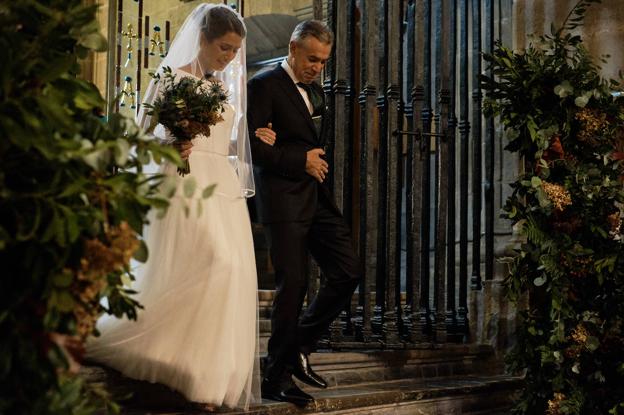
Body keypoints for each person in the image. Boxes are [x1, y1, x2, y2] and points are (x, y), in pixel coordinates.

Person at [87, 4, 268, 410]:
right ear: (202, 37)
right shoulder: (170, 78)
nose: (228, 57)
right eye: (223, 47)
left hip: (220, 186)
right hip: (185, 182)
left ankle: (201, 375)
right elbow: (140, 135)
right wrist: (172, 145)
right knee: (214, 263)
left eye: (234, 51)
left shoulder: (221, 87)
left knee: (229, 272)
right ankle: (155, 350)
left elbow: (229, 142)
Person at [247, 20, 361, 406]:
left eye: (324, 62)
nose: (317, 67)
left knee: (347, 272)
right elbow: (253, 149)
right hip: (282, 199)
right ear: (293, 48)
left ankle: (298, 346)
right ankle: (274, 377)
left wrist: (304, 159)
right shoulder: (262, 85)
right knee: (292, 286)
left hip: (316, 197)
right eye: (312, 58)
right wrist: (300, 161)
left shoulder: (316, 91)